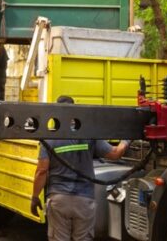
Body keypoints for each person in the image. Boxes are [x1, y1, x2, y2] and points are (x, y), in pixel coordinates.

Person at [31, 96, 130, 241]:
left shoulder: (49, 138)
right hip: (84, 200)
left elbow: (41, 171)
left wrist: (34, 197)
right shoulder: (88, 134)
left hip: (59, 200)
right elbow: (115, 154)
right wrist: (127, 139)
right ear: (75, 112)